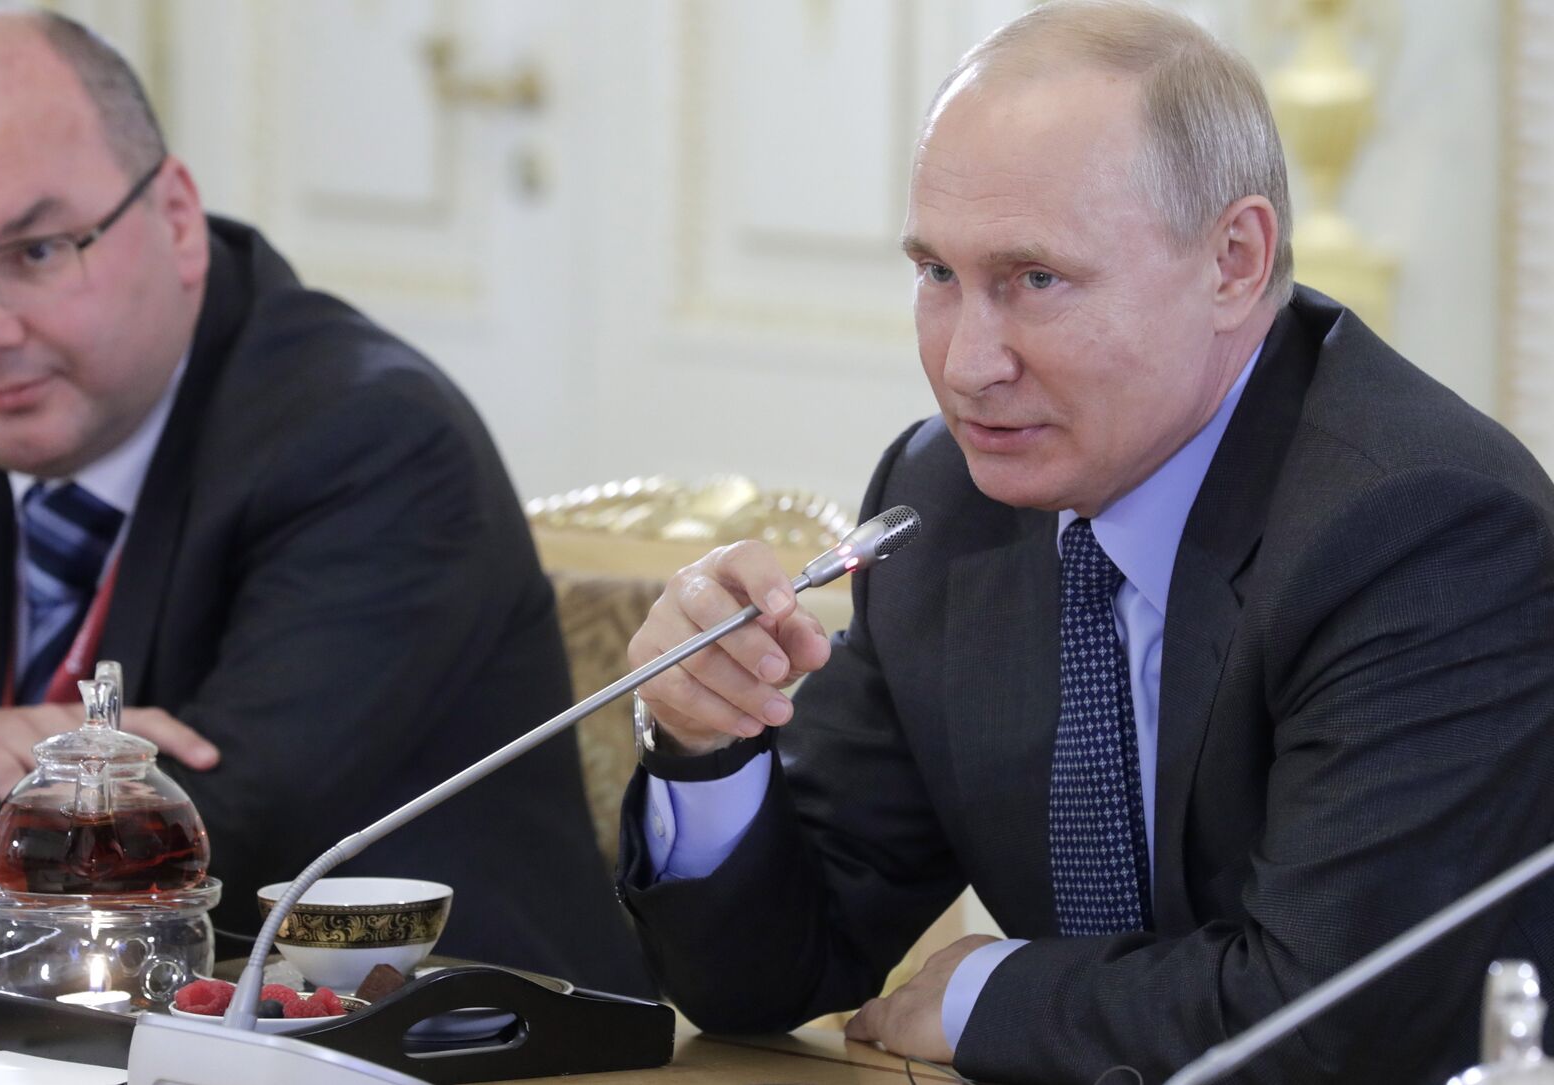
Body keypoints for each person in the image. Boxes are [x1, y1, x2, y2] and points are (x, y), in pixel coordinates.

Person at [617, 1, 1554, 1080]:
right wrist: (705, 740)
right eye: (937, 274)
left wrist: (986, 995)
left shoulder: (1418, 528)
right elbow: (766, 972)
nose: (967, 364)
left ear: (1234, 260)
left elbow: (1330, 1022)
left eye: (1036, 280)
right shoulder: (948, 500)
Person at [0, 6, 650, 995]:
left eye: (36, 252)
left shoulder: (372, 440)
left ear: (177, 218)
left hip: (432, 1035)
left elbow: (168, 845)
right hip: (8, 1028)